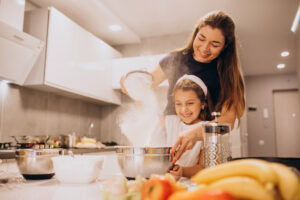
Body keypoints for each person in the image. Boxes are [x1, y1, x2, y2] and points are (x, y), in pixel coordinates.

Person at [121, 10, 245, 161]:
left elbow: (228, 119)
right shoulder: (175, 59)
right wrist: (132, 82)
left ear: (225, 46)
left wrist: (193, 133)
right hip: (169, 136)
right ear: (195, 34)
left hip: (207, 142)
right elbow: (146, 84)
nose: (205, 48)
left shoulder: (227, 74)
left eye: (215, 44)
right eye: (201, 38)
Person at [165, 74, 213, 180]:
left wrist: (182, 171)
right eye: (178, 104)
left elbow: (203, 167)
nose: (184, 110)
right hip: (168, 182)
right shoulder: (172, 122)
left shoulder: (206, 129)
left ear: (202, 104)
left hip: (192, 183)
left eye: (190, 103)